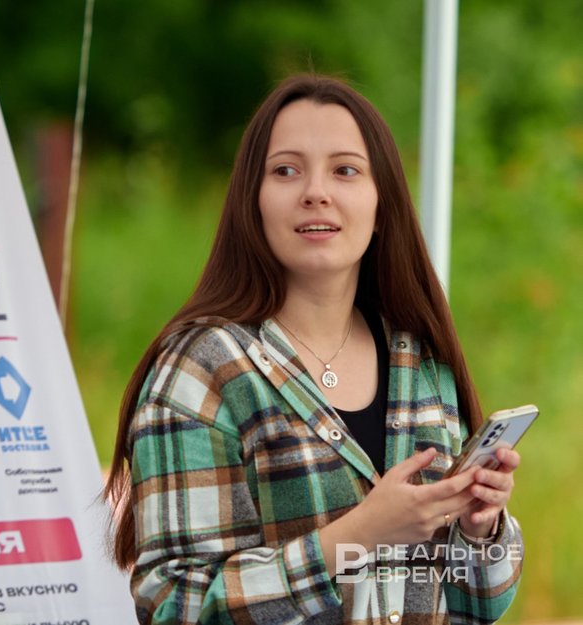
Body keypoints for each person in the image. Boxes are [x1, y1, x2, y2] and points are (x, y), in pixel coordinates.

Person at [104, 74, 524, 624]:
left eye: (345, 170)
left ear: (381, 206)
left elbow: (479, 605)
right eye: (286, 171)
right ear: (253, 202)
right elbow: (172, 603)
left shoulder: (420, 360)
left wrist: (480, 529)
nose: (315, 192)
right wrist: (356, 536)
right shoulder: (203, 368)